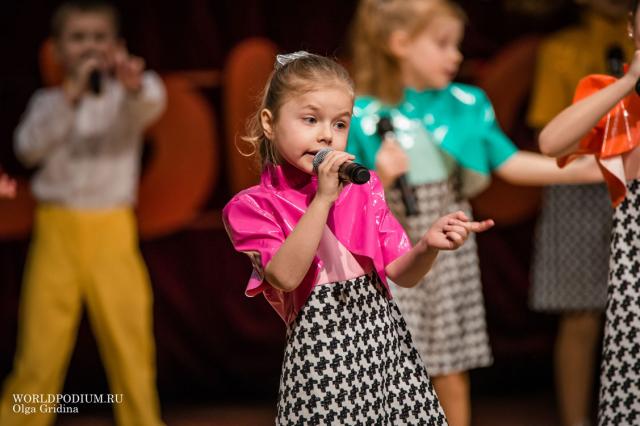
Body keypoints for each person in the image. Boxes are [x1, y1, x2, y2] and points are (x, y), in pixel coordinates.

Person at [347, 1, 602, 425]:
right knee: (387, 363)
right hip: (387, 246)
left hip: (447, 248)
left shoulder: (467, 103)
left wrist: (592, 170)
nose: (456, 56)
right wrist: (380, 177)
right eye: (443, 44)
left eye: (457, 45)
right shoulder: (361, 113)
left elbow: (510, 162)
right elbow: (340, 203)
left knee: (449, 366)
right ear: (399, 43)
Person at [223, 51, 494, 425]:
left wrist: (428, 245)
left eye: (339, 124)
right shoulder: (252, 206)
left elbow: (403, 273)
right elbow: (285, 276)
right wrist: (323, 198)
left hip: (386, 353)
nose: (325, 135)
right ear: (269, 123)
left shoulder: (363, 190)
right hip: (325, 362)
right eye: (310, 119)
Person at [0, 1, 166, 425]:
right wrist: (68, 100)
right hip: (56, 229)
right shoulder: (48, 102)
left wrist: (132, 83)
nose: (89, 46)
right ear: (56, 50)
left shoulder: (124, 98)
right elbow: (26, 148)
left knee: (131, 347)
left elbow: (153, 102)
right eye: (78, 38)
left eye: (98, 37)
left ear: (115, 46)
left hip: (113, 230)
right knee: (40, 348)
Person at [527, 1, 632, 425]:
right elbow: (547, 135)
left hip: (630, 183)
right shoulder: (562, 48)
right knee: (581, 313)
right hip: (581, 186)